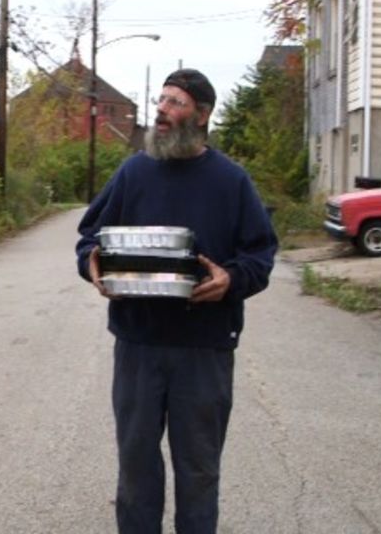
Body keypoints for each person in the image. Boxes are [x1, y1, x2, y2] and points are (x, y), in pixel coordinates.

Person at [75, 68, 277, 534]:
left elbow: (260, 254)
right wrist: (91, 263)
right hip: (138, 344)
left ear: (202, 116)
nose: (161, 111)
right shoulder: (134, 172)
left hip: (204, 348)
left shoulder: (231, 181)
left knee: (199, 471)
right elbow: (90, 236)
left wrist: (231, 279)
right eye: (161, 101)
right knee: (136, 467)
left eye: (175, 103)